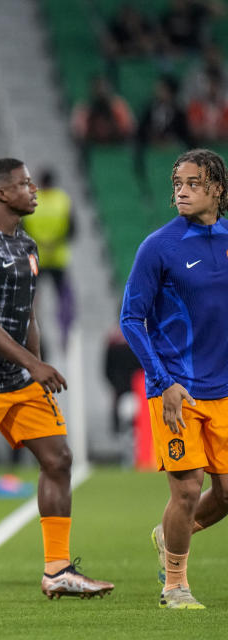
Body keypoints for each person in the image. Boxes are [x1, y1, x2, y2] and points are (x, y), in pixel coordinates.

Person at [0, 157, 113, 603]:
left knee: (59, 458)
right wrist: (34, 365)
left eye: (31, 182)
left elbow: (27, 315)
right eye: (23, 184)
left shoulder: (28, 246)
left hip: (18, 379)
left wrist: (35, 366)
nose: (33, 190)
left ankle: (57, 570)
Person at [120, 148, 228, 609]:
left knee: (225, 495)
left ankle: (168, 537)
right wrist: (162, 382)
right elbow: (131, 319)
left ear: (217, 189)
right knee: (186, 489)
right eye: (177, 184)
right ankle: (175, 586)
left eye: (192, 183)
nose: (181, 191)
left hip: (224, 388)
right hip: (176, 388)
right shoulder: (159, 246)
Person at [20, 169, 75, 351]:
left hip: (37, 258)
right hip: (58, 258)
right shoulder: (63, 200)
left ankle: (36, 333)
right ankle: (65, 333)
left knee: (34, 299)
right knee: (63, 298)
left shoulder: (31, 200)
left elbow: (22, 230)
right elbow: (72, 229)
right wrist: (55, 242)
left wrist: (41, 243)